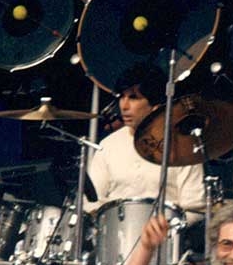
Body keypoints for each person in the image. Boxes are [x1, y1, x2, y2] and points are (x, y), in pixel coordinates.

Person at [84, 69, 205, 219]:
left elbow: (194, 208)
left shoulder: (182, 147)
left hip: (167, 235)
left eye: (133, 98)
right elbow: (91, 201)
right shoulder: (108, 146)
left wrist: (165, 230)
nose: (124, 105)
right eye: (121, 97)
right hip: (116, 235)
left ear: (155, 105)